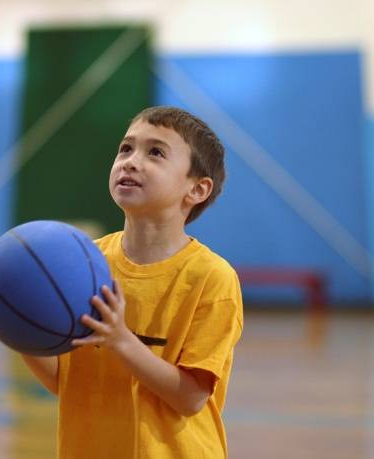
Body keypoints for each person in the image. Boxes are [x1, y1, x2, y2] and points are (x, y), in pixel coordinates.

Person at [22, 106, 243, 458]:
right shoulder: (87, 262)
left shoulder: (211, 278)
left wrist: (120, 340)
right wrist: (20, 327)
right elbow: (66, 382)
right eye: (126, 148)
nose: (131, 161)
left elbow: (190, 398)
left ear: (197, 189)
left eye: (155, 152)